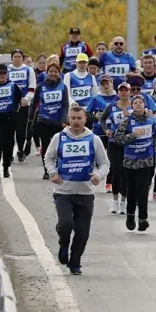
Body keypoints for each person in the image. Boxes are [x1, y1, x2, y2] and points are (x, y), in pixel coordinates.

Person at [44, 104, 110, 275]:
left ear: (85, 119)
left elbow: (104, 163)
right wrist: (52, 172)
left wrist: (99, 176)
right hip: (63, 192)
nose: (76, 121)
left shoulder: (93, 139)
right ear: (68, 119)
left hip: (85, 193)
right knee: (66, 224)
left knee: (82, 232)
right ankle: (64, 243)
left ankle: (75, 262)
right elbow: (49, 157)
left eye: (79, 118)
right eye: (72, 118)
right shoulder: (59, 138)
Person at [109, 91, 156, 232]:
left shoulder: (151, 120)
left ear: (144, 105)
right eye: (135, 102)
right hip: (130, 160)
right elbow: (118, 138)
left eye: (140, 102)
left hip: (146, 159)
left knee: (143, 190)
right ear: (132, 105)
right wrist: (132, 136)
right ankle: (130, 215)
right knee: (131, 189)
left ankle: (143, 218)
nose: (138, 104)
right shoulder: (127, 120)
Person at [0, 62, 28, 178]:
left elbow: (19, 101)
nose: (2, 75)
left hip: (9, 117)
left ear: (7, 74)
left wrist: (16, 113)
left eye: (4, 73)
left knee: (8, 143)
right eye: (0, 73)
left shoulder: (13, 86)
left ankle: (6, 167)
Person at [31, 59, 69, 176]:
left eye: (55, 71)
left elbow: (65, 105)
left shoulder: (63, 87)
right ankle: (47, 170)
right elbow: (34, 103)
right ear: (47, 73)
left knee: (58, 146)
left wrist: (63, 120)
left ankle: (58, 166)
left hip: (58, 121)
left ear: (59, 73)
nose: (53, 74)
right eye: (51, 71)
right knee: (46, 145)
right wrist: (31, 118)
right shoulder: (40, 86)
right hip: (43, 120)